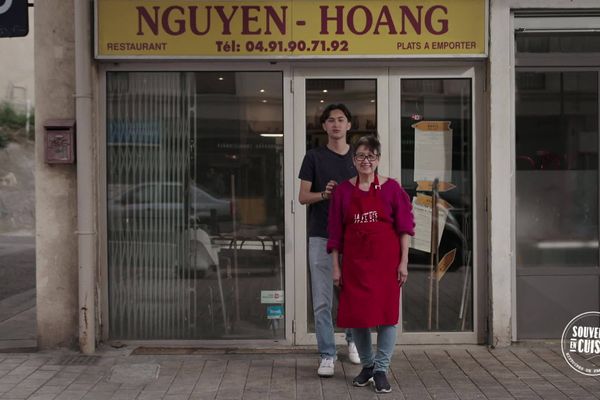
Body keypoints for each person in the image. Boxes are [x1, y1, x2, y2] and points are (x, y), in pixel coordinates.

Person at [327, 135, 415, 393]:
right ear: (354, 160)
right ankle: (367, 365)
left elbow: (405, 228)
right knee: (358, 319)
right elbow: (334, 233)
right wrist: (336, 266)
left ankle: (381, 370)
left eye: (371, 156)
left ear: (378, 160)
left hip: (387, 265)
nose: (366, 161)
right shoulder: (343, 191)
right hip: (355, 265)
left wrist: (404, 262)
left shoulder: (392, 189)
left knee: (387, 317)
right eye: (361, 156)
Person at [298, 103, 360, 377]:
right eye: (331, 120)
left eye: (341, 119)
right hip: (321, 235)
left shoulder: (359, 157)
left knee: (351, 294)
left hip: (354, 237)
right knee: (322, 300)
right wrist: (325, 194)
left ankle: (353, 341)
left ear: (349, 125)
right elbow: (302, 197)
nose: (336, 124)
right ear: (324, 126)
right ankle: (327, 354)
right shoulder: (313, 157)